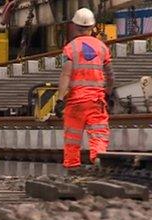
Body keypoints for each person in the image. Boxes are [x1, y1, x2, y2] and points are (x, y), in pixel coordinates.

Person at [54, 8, 115, 172]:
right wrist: (107, 94)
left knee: (72, 138)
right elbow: (111, 77)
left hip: (75, 102)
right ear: (93, 27)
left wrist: (60, 99)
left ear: (74, 26)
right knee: (99, 135)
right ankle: (98, 160)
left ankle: (72, 169)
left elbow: (66, 75)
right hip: (95, 101)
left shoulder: (70, 48)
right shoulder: (102, 48)